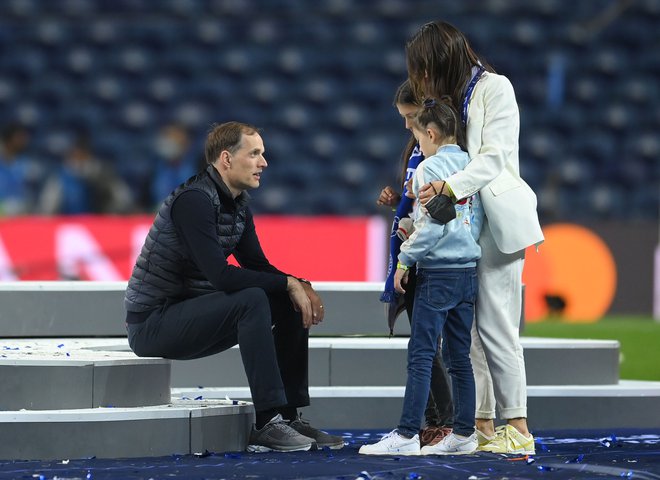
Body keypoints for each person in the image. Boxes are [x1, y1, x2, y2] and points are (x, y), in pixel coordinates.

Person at [124, 121, 344, 453]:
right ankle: (267, 422)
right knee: (253, 298)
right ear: (226, 159)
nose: (264, 163)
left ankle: (288, 415)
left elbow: (257, 267)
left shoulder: (238, 204)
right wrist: (287, 282)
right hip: (153, 323)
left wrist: (298, 284)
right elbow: (222, 277)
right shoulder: (194, 200)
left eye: (263, 154)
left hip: (188, 312)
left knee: (284, 300)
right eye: (254, 153)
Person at [405, 20, 544, 454]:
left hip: (497, 219)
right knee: (467, 334)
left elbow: (493, 159)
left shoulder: (495, 88)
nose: (423, 80)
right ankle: (481, 423)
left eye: (425, 69)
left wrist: (448, 188)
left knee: (497, 327)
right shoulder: (447, 100)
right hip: (465, 224)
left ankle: (518, 427)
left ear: (443, 60)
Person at [360, 97, 483, 456]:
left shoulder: (430, 169)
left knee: (422, 354)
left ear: (430, 133)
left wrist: (404, 260)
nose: (416, 144)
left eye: (417, 136)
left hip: (437, 273)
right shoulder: (470, 166)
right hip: (467, 272)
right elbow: (471, 220)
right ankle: (463, 435)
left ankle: (407, 434)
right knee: (460, 358)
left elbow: (431, 229)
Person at [377, 80, 454, 447]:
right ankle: (436, 421)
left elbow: (439, 211)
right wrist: (398, 202)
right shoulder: (417, 153)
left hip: (424, 257)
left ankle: (443, 422)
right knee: (424, 344)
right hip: (410, 249)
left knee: (425, 347)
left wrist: (408, 258)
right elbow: (419, 202)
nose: (407, 127)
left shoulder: (436, 156)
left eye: (410, 118)